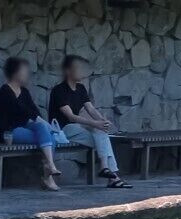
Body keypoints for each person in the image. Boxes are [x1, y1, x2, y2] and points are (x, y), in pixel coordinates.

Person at [47, 54, 128, 189]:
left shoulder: (81, 89)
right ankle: (111, 175)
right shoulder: (59, 90)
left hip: (76, 129)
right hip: (62, 130)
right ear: (68, 71)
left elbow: (91, 109)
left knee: (102, 135)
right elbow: (71, 117)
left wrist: (102, 121)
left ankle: (108, 173)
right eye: (77, 68)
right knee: (101, 136)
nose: (81, 71)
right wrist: (95, 124)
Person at [0, 55, 65, 190]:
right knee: (46, 135)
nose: (27, 74)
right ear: (15, 72)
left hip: (26, 128)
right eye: (24, 71)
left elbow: (35, 112)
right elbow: (22, 111)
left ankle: (49, 169)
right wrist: (43, 124)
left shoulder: (24, 91)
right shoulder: (5, 91)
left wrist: (48, 126)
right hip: (10, 132)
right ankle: (48, 173)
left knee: (45, 131)